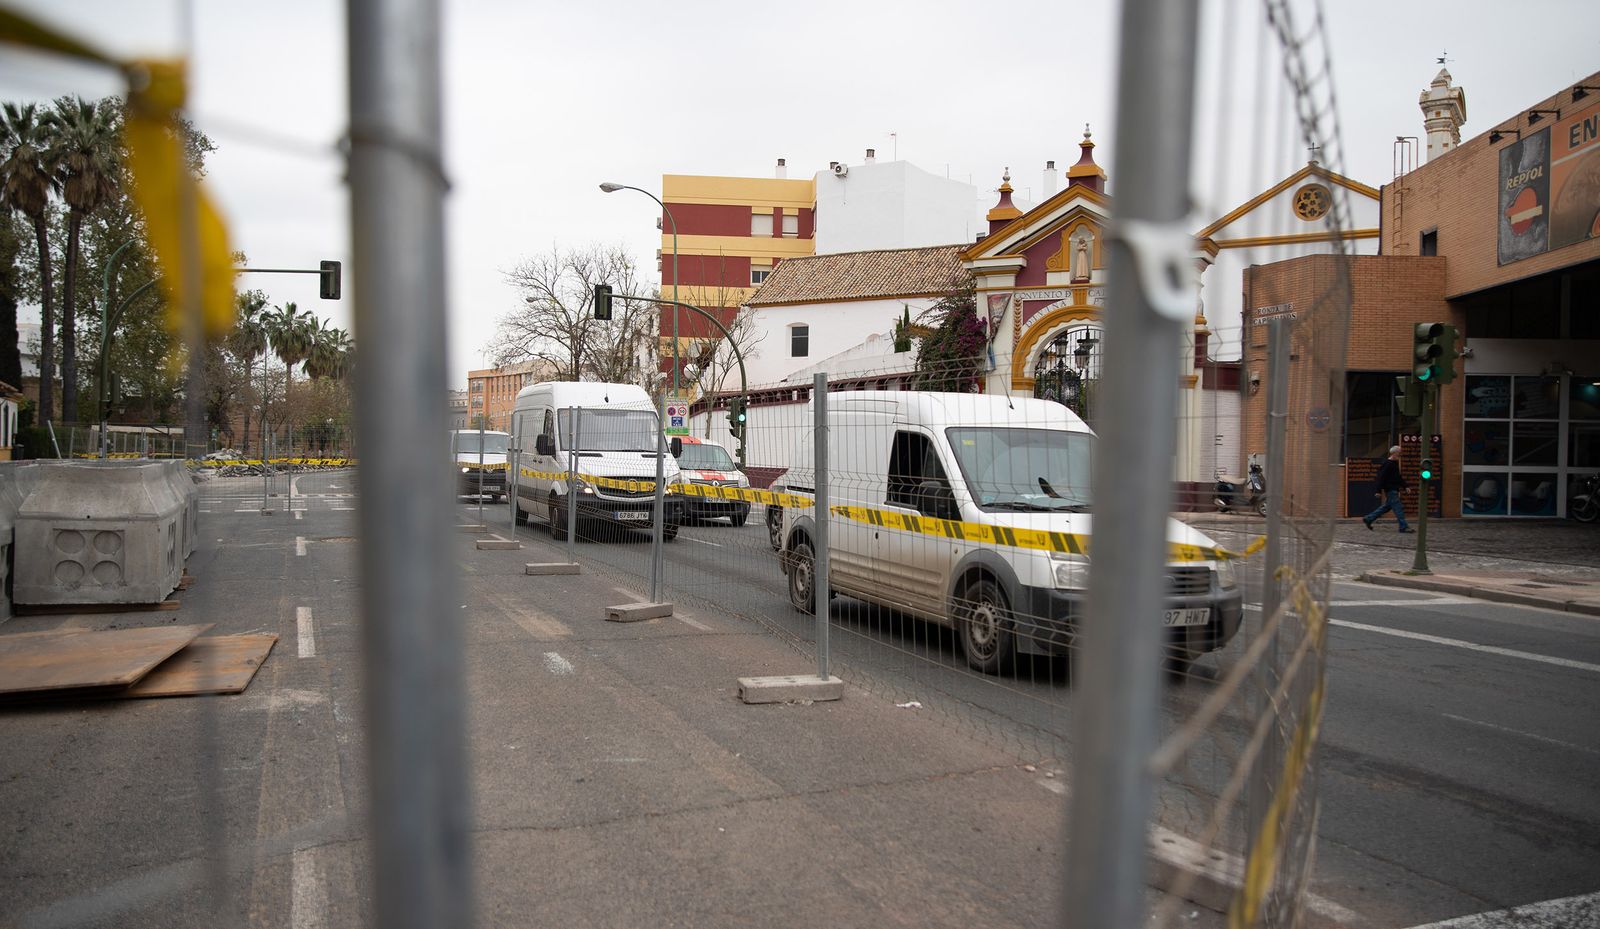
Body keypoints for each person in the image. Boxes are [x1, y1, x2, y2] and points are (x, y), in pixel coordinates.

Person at [1364, 445, 1412, 533]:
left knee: (1386, 507)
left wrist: (1406, 486)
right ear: (1394, 453)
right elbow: (1381, 477)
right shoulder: (1387, 464)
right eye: (1399, 453)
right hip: (1391, 489)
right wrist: (1378, 491)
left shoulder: (1394, 464)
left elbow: (1398, 477)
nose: (1400, 455)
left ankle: (1369, 518)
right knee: (1398, 508)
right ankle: (1403, 526)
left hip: (1393, 489)